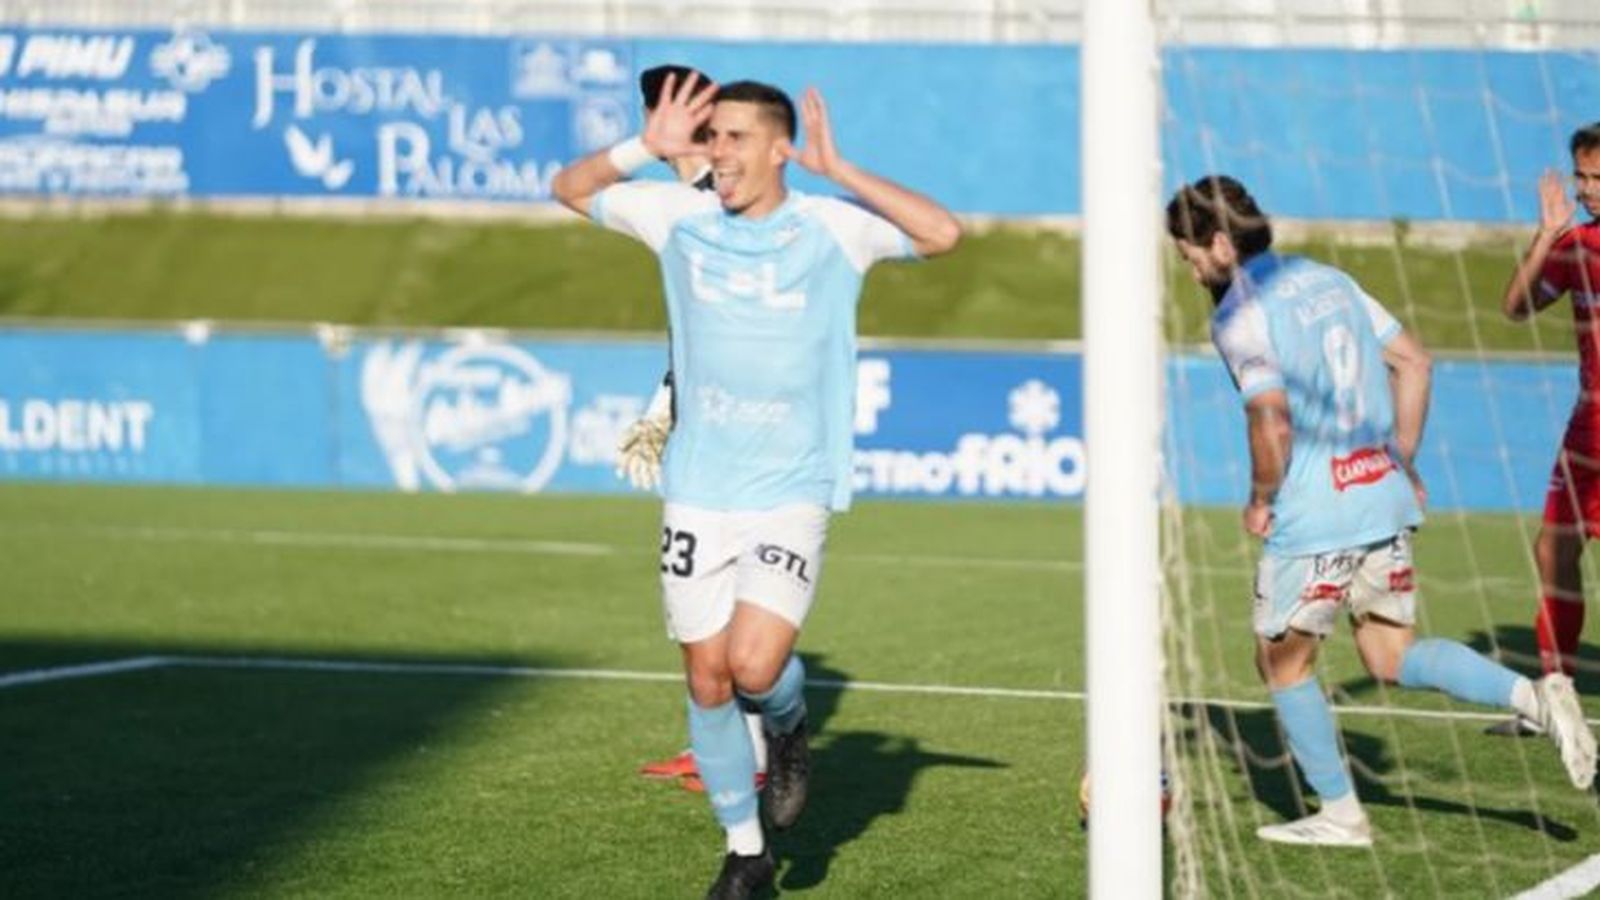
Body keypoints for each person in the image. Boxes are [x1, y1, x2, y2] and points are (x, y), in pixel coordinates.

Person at [552, 74, 960, 896]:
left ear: (779, 149)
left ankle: (789, 721)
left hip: (790, 486)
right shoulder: (677, 217)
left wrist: (839, 167)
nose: (718, 155)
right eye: (711, 139)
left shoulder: (832, 230)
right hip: (699, 487)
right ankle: (746, 855)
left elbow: (942, 233)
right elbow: (569, 187)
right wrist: (642, 148)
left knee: (755, 665)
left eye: (734, 138)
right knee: (706, 677)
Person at [1166, 174, 1597, 848]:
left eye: (1190, 259)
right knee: (1388, 651)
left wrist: (1260, 498)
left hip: (1316, 512)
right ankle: (1535, 697)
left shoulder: (1240, 313)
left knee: (1282, 664)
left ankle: (1341, 813)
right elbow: (1416, 364)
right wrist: (1401, 457)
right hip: (1380, 495)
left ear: (1219, 243)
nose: (1192, 273)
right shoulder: (1327, 278)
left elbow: (1271, 420)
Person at [620, 64, 772, 795]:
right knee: (709, 596)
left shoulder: (719, 206)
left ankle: (754, 752)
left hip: (744, 429)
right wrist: (664, 403)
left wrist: (668, 404)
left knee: (726, 595)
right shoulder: (686, 200)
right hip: (717, 422)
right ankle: (728, 745)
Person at [1490, 123, 1600, 736]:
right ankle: (1556, 698)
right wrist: (1545, 237)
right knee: (1552, 547)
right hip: (1588, 424)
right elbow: (1514, 307)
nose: (1586, 189)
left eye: (1597, 179)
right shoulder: (1578, 243)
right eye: (1581, 177)